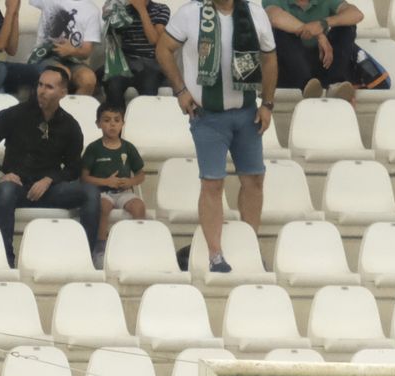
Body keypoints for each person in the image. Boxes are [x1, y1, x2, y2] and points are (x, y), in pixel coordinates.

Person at [157, 0, 277, 274]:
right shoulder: (190, 13)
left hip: (247, 113)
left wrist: (268, 103)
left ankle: (250, 245)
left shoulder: (254, 12)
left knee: (254, 179)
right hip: (208, 116)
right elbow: (163, 48)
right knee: (212, 183)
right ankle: (215, 253)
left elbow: (270, 57)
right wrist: (180, 90)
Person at [0, 65, 101, 268]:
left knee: (91, 192)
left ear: (63, 92)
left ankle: (85, 257)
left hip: (50, 190)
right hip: (17, 187)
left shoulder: (70, 126)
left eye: (49, 87)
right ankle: (6, 260)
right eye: (40, 85)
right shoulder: (14, 115)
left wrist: (50, 179)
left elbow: (74, 168)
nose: (42, 90)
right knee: (6, 191)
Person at [81, 102, 148, 263]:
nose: (112, 124)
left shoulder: (129, 148)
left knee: (139, 206)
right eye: (107, 120)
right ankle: (100, 247)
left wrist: (131, 181)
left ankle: (138, 244)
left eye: (117, 120)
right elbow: (84, 177)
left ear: (123, 123)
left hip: (124, 193)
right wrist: (106, 181)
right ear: (98, 124)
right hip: (102, 192)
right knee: (103, 206)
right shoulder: (93, 148)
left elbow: (141, 175)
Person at [264, 0, 361, 100]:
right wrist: (318, 34)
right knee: (280, 30)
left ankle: (335, 83)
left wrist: (323, 24)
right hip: (291, 68)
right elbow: (274, 17)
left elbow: (356, 14)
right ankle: (306, 84)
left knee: (347, 26)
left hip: (323, 60)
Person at [101, 0, 170, 110]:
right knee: (113, 83)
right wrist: (109, 15)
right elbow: (113, 35)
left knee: (148, 86)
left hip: (151, 62)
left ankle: (145, 119)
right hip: (127, 62)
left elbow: (154, 40)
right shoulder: (124, 10)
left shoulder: (161, 9)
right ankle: (117, 118)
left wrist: (142, 10)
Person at [30, 0, 102, 95]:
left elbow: (86, 51)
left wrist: (72, 51)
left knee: (88, 79)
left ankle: (74, 105)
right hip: (45, 55)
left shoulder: (92, 11)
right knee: (61, 74)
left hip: (73, 60)